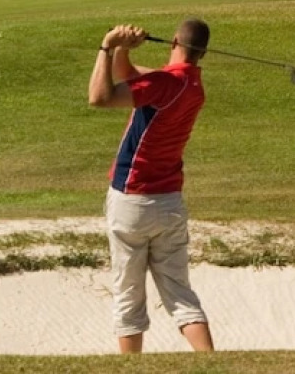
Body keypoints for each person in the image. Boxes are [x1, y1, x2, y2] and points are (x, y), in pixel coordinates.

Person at [88, 20, 215, 354]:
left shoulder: (163, 84)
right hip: (170, 204)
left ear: (173, 40)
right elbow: (131, 75)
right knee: (181, 296)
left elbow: (99, 97)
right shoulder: (192, 85)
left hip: (132, 202)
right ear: (202, 52)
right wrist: (123, 50)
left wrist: (106, 44)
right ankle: (212, 364)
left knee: (129, 299)